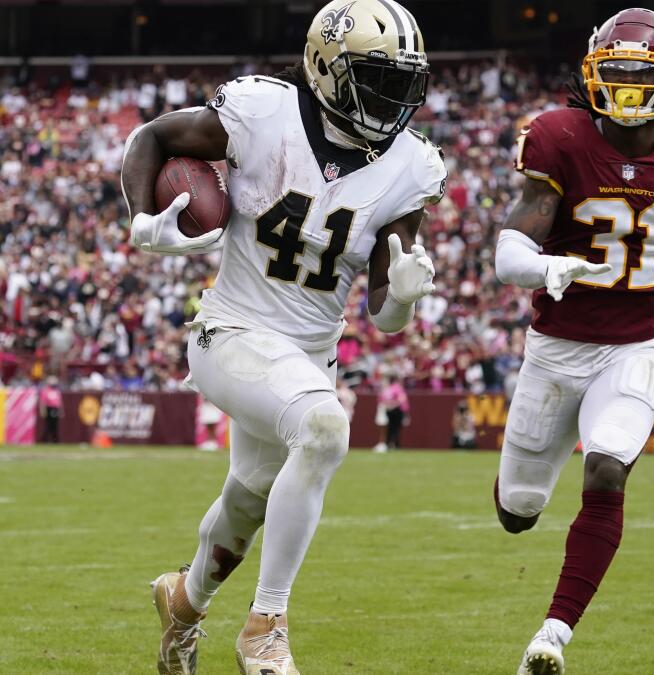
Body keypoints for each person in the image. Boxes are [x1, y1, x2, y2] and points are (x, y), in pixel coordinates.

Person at [121, 1, 444, 673]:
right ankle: (265, 625)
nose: (390, 96)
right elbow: (150, 138)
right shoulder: (262, 113)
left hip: (306, 357)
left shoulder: (409, 166)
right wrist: (144, 216)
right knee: (325, 429)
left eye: (399, 80)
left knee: (249, 495)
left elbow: (384, 307)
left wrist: (405, 302)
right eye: (374, 76)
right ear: (327, 68)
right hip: (231, 330)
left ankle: (181, 604)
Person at [490, 9, 654, 672]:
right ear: (593, 74)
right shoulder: (559, 137)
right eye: (615, 72)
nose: (626, 87)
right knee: (518, 512)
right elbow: (511, 245)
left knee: (607, 467)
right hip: (556, 346)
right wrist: (547, 266)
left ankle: (552, 634)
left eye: (640, 74)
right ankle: (514, 492)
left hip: (635, 344)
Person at [378, 374, 408, 450]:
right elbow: (402, 400)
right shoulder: (397, 388)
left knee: (391, 428)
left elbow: (381, 400)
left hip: (389, 410)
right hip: (397, 410)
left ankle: (390, 444)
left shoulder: (387, 388)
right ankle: (394, 444)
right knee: (395, 428)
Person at [38, 375, 62, 444]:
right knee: (48, 425)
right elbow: (43, 402)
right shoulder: (45, 391)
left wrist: (60, 411)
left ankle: (55, 440)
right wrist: (42, 410)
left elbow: (59, 402)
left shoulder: (57, 391)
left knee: (55, 425)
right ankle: (45, 440)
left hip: (55, 409)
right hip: (49, 409)